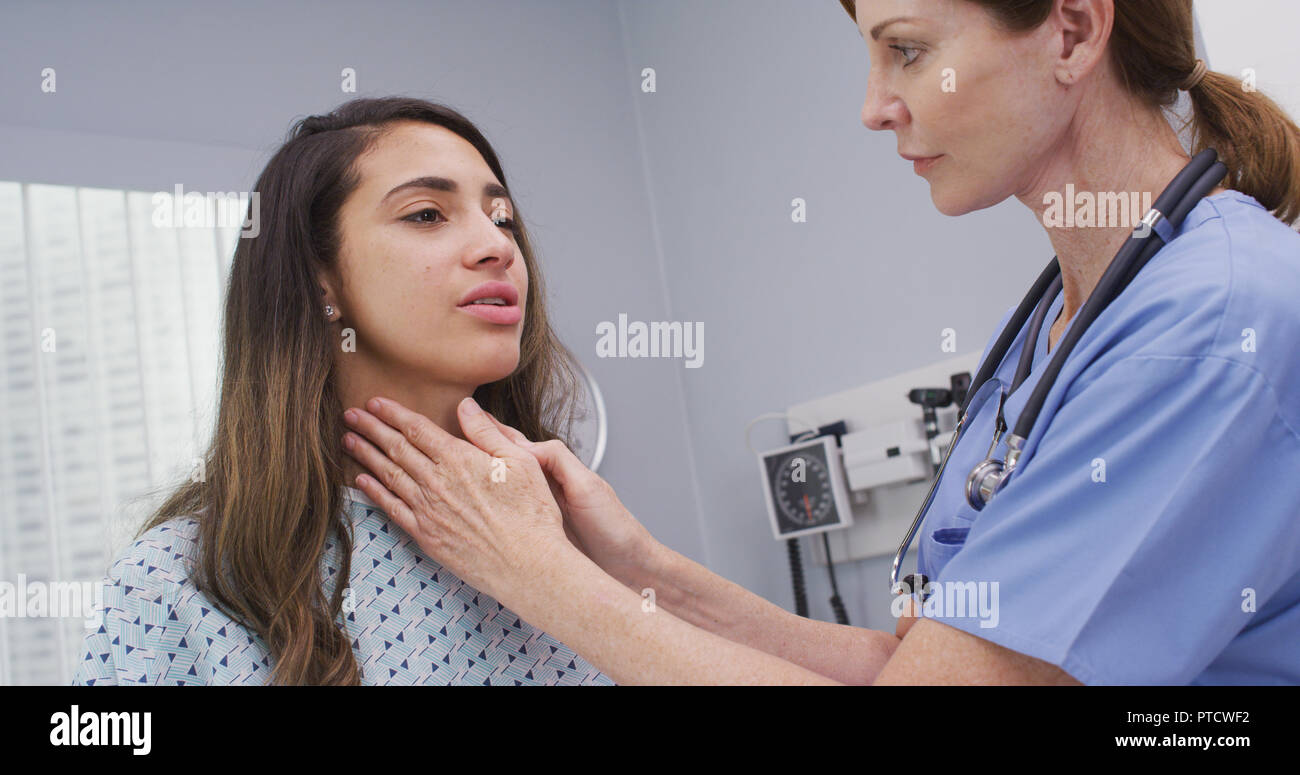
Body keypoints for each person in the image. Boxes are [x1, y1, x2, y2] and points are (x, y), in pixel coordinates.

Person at [341, 0, 1300, 685]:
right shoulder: (1067, 318)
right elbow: (917, 666)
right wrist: (642, 569)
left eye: (908, 50)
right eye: (425, 214)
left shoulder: (1207, 327)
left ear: (1075, 30)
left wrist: (537, 574)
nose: (874, 104)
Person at [72, 97, 613, 685]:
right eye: (428, 214)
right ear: (317, 277)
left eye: (501, 217)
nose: (499, 246)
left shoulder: (568, 536)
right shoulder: (175, 581)